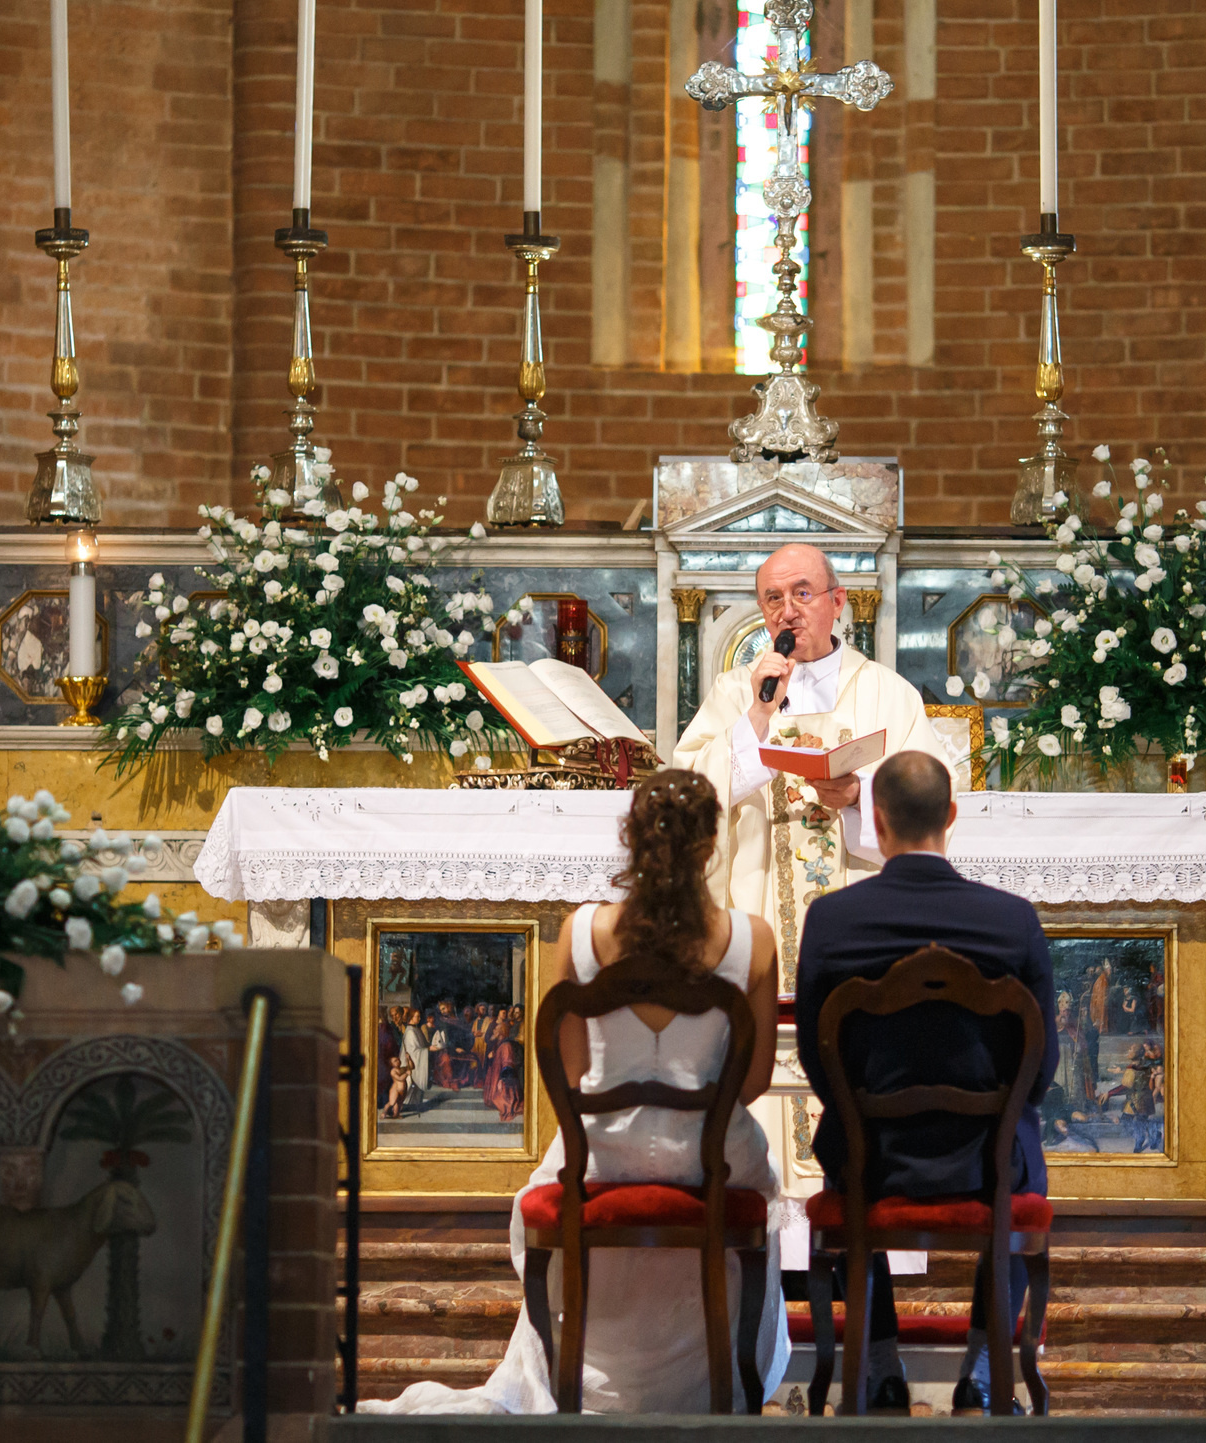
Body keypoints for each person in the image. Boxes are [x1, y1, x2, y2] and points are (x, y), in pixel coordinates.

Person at [361, 771, 791, 1414]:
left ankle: (569, 1388)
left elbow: (569, 1071)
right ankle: (723, 1389)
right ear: (710, 847)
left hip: (602, 1155)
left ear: (633, 840)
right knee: (763, 1185)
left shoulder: (583, 931)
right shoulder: (754, 940)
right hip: (708, 1159)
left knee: (554, 1171)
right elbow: (753, 1082)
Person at [793, 751, 1056, 1416]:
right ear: (953, 816)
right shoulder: (1012, 920)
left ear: (876, 823)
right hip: (986, 1165)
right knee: (1024, 1144)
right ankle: (986, 1374)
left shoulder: (832, 919)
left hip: (870, 1160)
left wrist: (860, 1116)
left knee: (844, 1154)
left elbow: (815, 1056)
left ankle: (880, 1369)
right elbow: (1042, 1068)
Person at [671, 543, 959, 918]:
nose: (787, 611)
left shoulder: (887, 692)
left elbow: (931, 802)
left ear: (837, 602)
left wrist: (859, 795)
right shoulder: (737, 690)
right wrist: (758, 713)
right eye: (773, 598)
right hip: (757, 911)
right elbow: (689, 796)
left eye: (802, 594)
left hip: (863, 908)